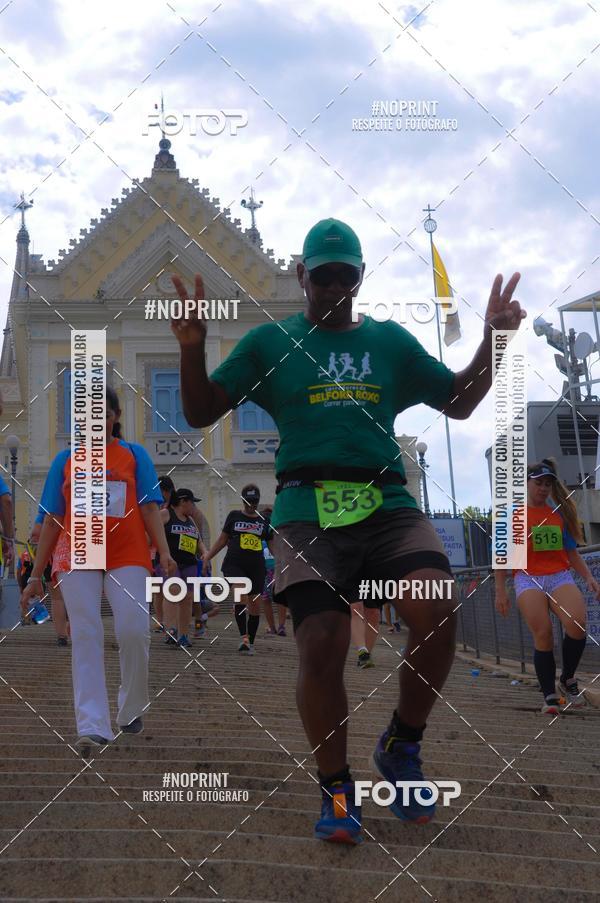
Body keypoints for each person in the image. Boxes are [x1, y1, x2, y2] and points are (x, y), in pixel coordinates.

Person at [171, 218, 524, 843]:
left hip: (385, 499)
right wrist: (192, 347)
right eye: (322, 273)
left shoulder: (389, 342)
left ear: (360, 277)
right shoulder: (270, 342)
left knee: (436, 605)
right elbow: (200, 411)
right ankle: (337, 786)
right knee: (323, 641)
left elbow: (460, 400)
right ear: (301, 275)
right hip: (308, 509)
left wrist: (495, 341)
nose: (334, 283)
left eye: (346, 273)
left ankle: (401, 744)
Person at [20, 388, 176, 751]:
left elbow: (151, 508)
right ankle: (93, 724)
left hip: (128, 552)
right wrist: (34, 576)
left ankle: (130, 708)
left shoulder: (135, 455)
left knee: (134, 629)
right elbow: (53, 519)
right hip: (79, 552)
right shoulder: (65, 460)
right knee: (86, 632)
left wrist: (164, 553)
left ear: (115, 416)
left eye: (102, 414)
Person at [495, 458, 596, 714]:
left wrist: (589, 578)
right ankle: (549, 696)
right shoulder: (511, 515)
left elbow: (571, 552)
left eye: (548, 485)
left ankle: (567, 679)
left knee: (578, 623)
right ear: (527, 484)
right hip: (528, 577)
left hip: (558, 575)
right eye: (538, 483)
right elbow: (502, 557)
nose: (543, 489)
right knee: (544, 633)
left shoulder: (557, 515)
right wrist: (500, 591)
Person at [201, 485, 272, 653]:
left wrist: (283, 562)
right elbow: (222, 540)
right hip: (235, 564)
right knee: (240, 595)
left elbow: (272, 543)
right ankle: (244, 638)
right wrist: (208, 557)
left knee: (255, 604)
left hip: (256, 566)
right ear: (243, 500)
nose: (251, 505)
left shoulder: (263, 521)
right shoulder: (234, 516)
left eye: (254, 502)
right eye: (248, 501)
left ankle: (250, 642)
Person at [160, 487, 203, 648]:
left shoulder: (190, 521)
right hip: (172, 561)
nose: (194, 507)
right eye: (193, 503)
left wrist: (205, 553)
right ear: (184, 502)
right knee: (174, 591)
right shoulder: (166, 514)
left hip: (190, 562)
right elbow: (153, 529)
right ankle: (171, 629)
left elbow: (199, 541)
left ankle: (183, 635)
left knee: (187, 598)